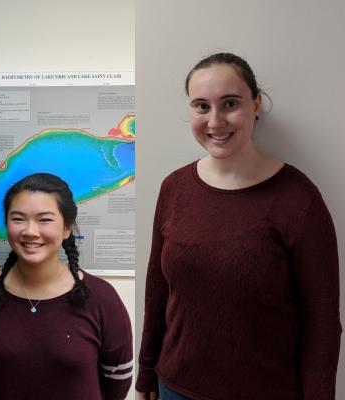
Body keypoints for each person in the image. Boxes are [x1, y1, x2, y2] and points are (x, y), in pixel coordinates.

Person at [136, 52, 341, 400]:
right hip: (175, 389)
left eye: (229, 103)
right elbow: (157, 288)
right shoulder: (175, 188)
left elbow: (322, 320)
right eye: (201, 106)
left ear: (256, 104)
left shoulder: (298, 198)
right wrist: (145, 375)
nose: (215, 121)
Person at [0, 173, 133, 399]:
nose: (30, 231)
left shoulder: (100, 297)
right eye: (18, 218)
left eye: (45, 219)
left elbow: (118, 377)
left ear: (66, 228)